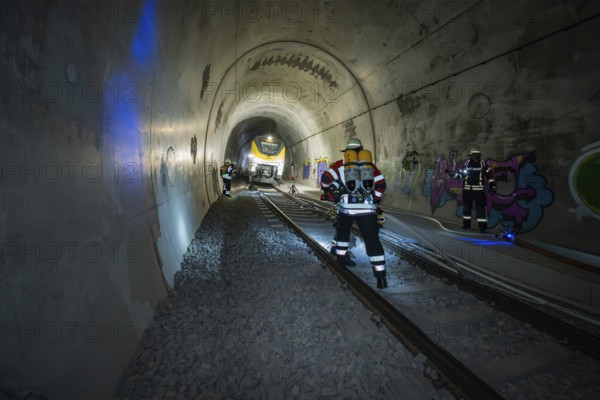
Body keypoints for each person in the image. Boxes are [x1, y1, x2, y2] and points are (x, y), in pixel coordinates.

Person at [320, 138, 388, 288]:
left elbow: (325, 178)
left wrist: (328, 190)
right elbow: (382, 184)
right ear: (362, 150)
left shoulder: (340, 164)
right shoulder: (369, 166)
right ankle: (380, 276)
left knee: (343, 233)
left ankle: (342, 261)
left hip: (346, 209)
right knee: (372, 240)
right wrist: (375, 200)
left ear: (347, 152)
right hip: (368, 210)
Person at [451, 148, 496, 233]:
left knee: (480, 209)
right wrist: (455, 175)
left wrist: (492, 185)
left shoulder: (482, 164)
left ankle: (482, 228)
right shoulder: (467, 164)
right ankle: (466, 225)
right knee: (466, 208)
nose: (477, 157)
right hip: (467, 191)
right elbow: (462, 175)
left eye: (478, 155)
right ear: (472, 156)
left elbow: (489, 175)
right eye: (475, 155)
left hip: (479, 192)